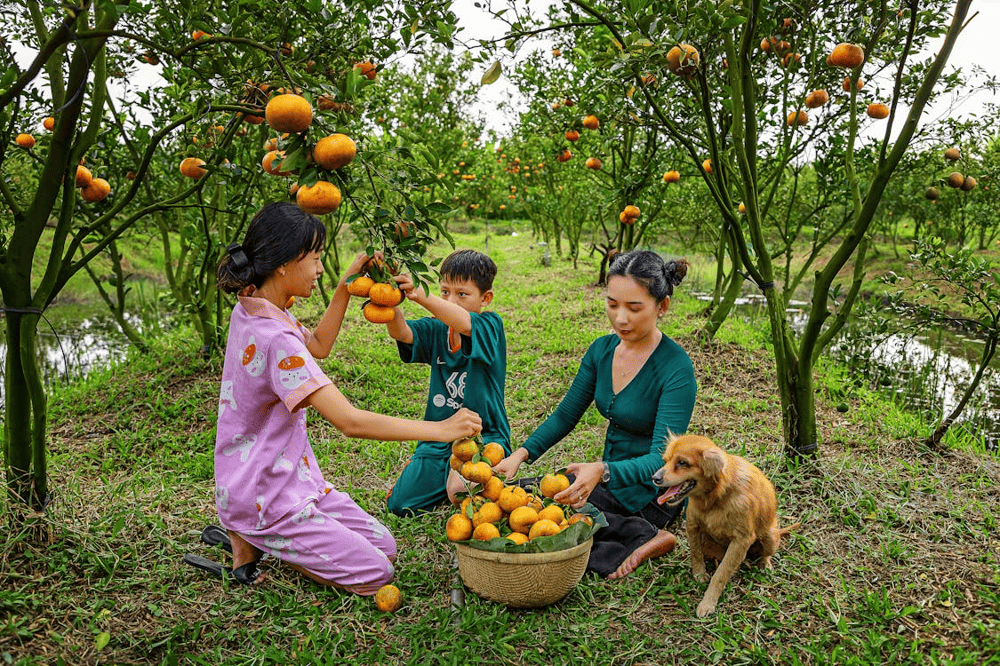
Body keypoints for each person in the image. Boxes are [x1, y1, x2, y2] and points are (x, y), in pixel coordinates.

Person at [213, 202, 481, 595]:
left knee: (386, 548)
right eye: (316, 258)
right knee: (376, 574)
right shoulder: (275, 340)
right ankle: (257, 535)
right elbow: (349, 421)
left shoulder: (257, 306)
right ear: (285, 263)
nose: (320, 268)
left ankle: (256, 535)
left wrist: (344, 285)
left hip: (292, 482)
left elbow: (319, 345)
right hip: (264, 495)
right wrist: (441, 429)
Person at [494, 249, 696, 579]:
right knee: (526, 506)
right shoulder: (601, 351)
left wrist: (601, 470)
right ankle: (619, 526)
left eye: (634, 308)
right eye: (612, 304)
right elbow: (565, 415)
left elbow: (662, 457)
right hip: (604, 480)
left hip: (650, 491)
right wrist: (520, 454)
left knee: (564, 538)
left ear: (662, 307)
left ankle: (648, 535)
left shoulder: (675, 369)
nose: (620, 318)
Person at [382, 249, 511, 515]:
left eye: (462, 294)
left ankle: (461, 481)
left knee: (463, 492)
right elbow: (403, 332)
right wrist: (389, 299)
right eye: (444, 292)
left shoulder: (489, 326)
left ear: (485, 298)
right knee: (400, 505)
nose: (451, 300)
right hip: (438, 436)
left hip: (483, 438)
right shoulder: (438, 329)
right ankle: (444, 477)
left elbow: (464, 322)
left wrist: (421, 295)